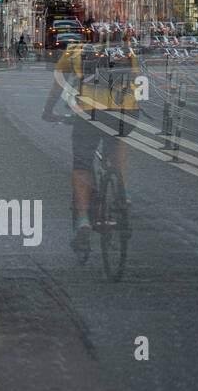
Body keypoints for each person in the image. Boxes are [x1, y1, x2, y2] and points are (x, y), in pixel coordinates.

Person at [41, 35, 139, 254]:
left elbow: (58, 87)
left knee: (82, 165)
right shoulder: (124, 50)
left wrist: (48, 112)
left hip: (89, 113)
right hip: (126, 111)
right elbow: (134, 77)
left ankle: (83, 219)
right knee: (117, 139)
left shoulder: (74, 52)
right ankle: (124, 193)